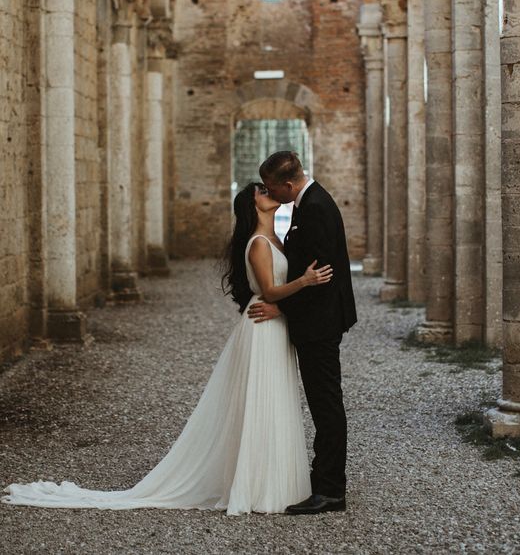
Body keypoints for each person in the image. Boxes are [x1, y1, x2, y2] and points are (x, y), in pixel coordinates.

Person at [2, 182, 331, 515]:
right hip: (262, 326)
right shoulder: (258, 244)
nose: (269, 191)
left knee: (274, 397)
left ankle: (273, 479)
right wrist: (305, 281)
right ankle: (257, 485)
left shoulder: (278, 236)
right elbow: (271, 292)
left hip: (273, 324)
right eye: (262, 191)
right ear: (252, 205)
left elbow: (276, 295)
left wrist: (292, 299)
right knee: (260, 399)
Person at [248, 151, 357, 515]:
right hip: (316, 320)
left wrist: (281, 306)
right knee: (322, 403)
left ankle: (330, 490)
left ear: (289, 185)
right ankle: (321, 477)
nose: (269, 192)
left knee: (326, 406)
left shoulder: (316, 208)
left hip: (320, 323)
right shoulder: (307, 202)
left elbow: (322, 278)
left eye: (272, 187)